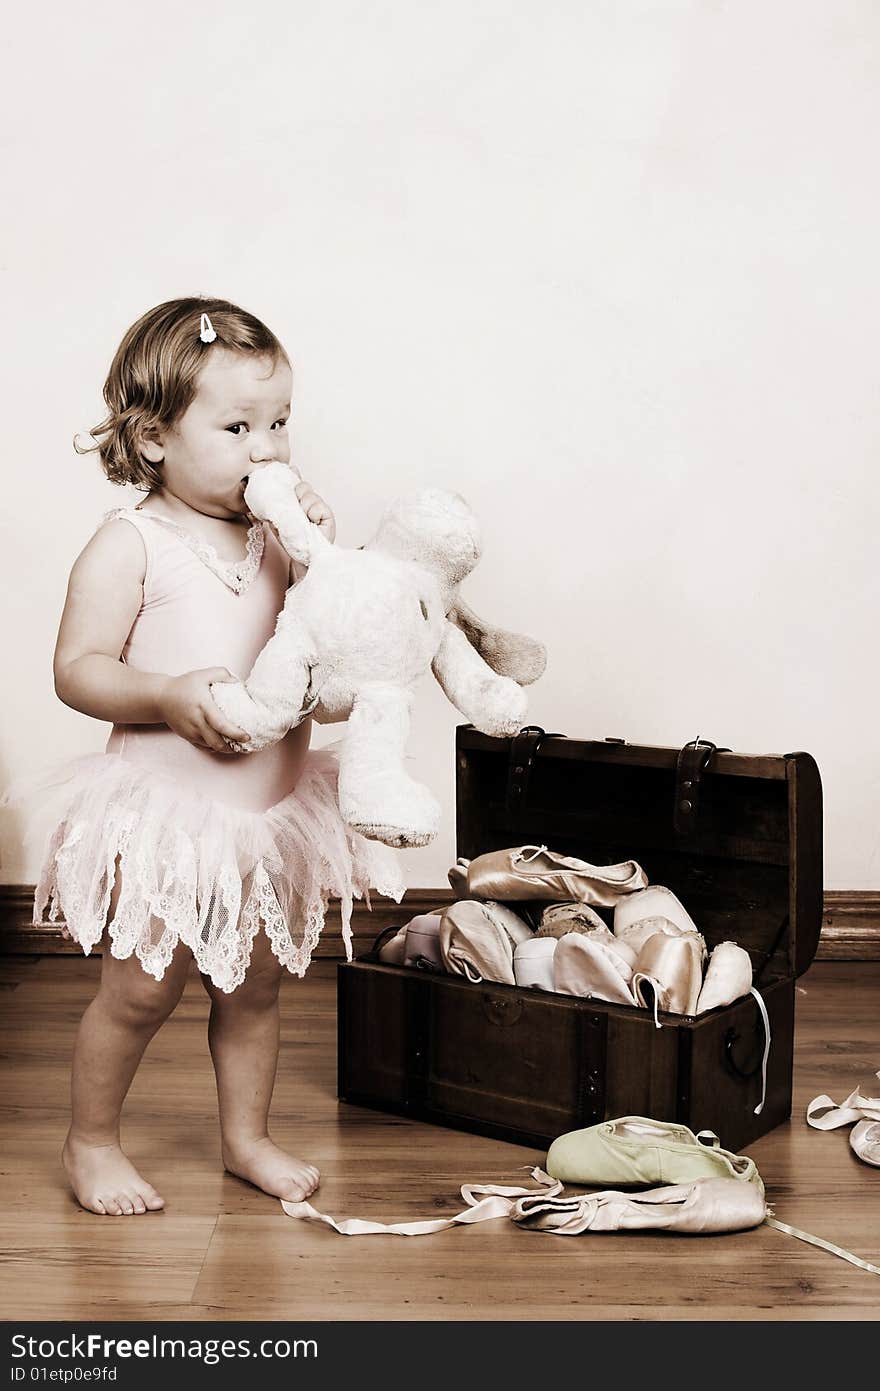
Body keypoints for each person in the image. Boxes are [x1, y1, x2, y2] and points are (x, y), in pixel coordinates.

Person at [28, 296, 403, 1216]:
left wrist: (319, 549)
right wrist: (163, 695)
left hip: (268, 818)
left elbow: (329, 636)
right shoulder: (133, 545)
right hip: (168, 816)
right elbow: (76, 671)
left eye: (279, 425)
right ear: (153, 437)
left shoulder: (276, 539)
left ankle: (246, 1137)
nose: (266, 449)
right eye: (237, 427)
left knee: (255, 989)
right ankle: (92, 1140)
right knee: (139, 993)